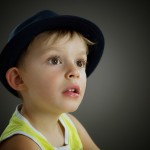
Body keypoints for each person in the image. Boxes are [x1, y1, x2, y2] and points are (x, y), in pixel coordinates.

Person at [0, 10, 104, 150]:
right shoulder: (22, 143)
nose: (74, 72)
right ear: (19, 79)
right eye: (54, 60)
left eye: (80, 63)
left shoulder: (69, 124)